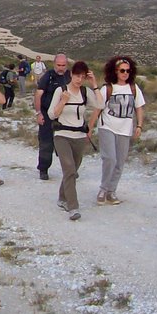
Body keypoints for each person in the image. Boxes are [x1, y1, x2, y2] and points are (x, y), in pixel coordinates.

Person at [48, 61, 104, 220]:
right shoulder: (61, 91)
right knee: (70, 169)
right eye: (77, 76)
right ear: (71, 75)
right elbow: (52, 114)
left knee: (71, 171)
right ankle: (73, 207)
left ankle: (61, 198)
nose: (79, 79)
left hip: (79, 137)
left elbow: (100, 104)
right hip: (62, 135)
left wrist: (94, 85)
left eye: (82, 77)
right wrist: (63, 101)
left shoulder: (85, 92)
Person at [89, 55, 146, 205]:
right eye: (122, 70)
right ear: (115, 71)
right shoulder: (107, 89)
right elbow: (97, 109)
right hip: (107, 126)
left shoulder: (134, 88)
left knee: (120, 162)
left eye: (128, 70)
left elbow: (139, 108)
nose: (125, 73)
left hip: (125, 129)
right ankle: (103, 188)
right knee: (110, 159)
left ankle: (111, 191)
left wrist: (139, 125)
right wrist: (89, 127)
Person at [33, 53, 70, 180]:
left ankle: (70, 170)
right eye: (59, 65)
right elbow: (38, 95)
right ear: (54, 64)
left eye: (63, 65)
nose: (61, 68)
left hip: (65, 115)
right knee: (46, 143)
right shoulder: (47, 77)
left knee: (68, 143)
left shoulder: (69, 76)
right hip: (47, 114)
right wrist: (39, 113)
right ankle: (43, 169)